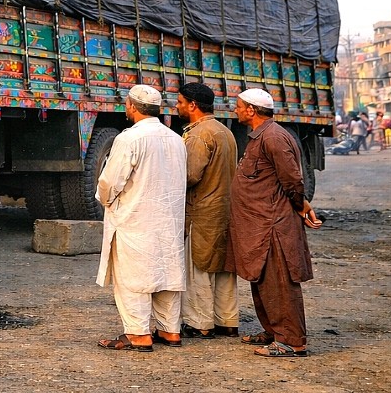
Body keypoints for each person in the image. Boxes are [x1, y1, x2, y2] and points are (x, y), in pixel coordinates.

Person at [228, 88, 323, 358]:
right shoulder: (264, 135)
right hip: (261, 225)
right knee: (264, 281)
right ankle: (273, 331)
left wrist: (301, 205)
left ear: (250, 110)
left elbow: (293, 180)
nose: (236, 110)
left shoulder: (273, 137)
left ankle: (292, 341)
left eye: (238, 106)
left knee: (280, 283)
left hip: (273, 226)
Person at [95, 84, 188, 352]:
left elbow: (110, 181)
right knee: (167, 274)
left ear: (133, 107)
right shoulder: (176, 139)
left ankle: (138, 334)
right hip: (168, 220)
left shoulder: (129, 139)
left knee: (133, 278)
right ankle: (170, 331)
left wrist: (107, 200)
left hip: (135, 219)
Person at [175, 82, 240, 339]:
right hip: (224, 210)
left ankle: (200, 323)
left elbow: (190, 176)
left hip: (201, 211)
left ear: (192, 105)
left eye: (180, 102)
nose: (177, 106)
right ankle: (227, 320)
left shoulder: (200, 134)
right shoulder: (225, 132)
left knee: (198, 268)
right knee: (223, 267)